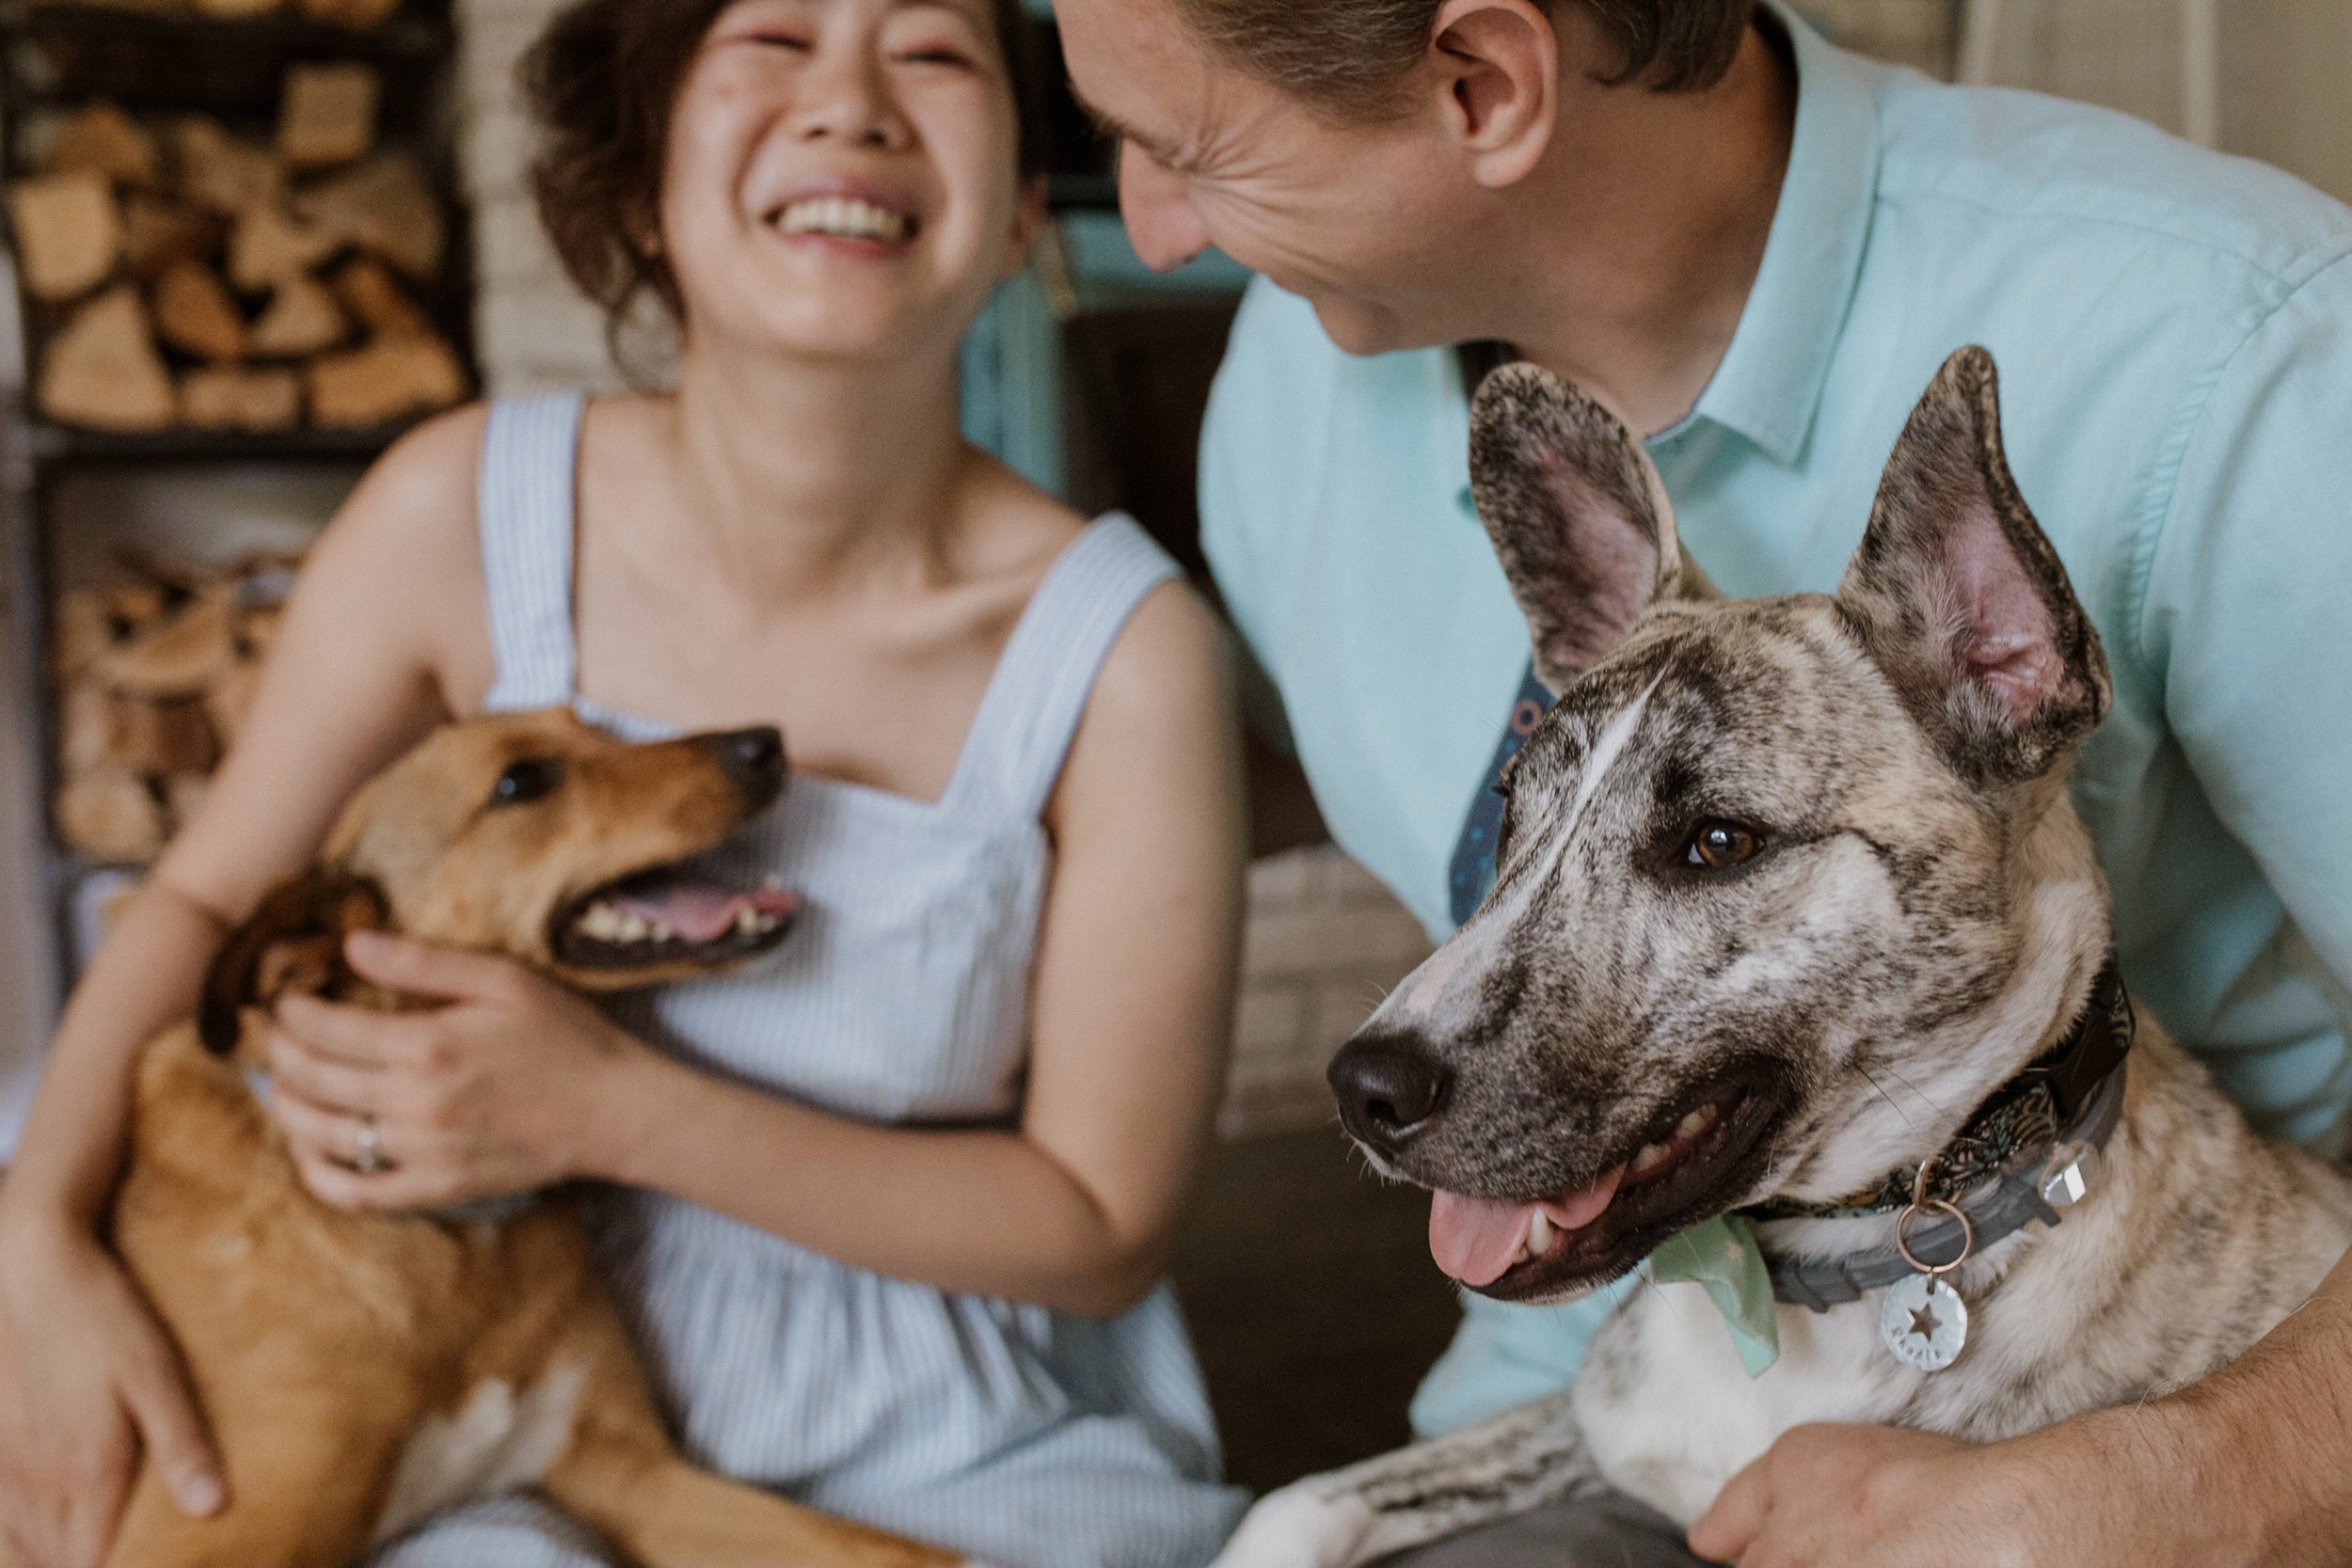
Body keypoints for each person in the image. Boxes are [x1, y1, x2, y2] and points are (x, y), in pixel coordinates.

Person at [1047, 0, 2352, 1561]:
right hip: (1604, 1403)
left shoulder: (2243, 351)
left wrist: (2159, 1488)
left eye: (1189, 149)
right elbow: (1263, 777)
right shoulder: (1294, 369)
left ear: (1485, 82)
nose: (1148, 228)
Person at [0, 2, 1253, 1563]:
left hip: (944, 1419)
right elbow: (202, 897)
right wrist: (35, 1232)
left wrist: (608, 1111)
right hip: (474, 1378)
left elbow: (1102, 1228)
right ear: (644, 167)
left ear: (1019, 208)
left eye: (933, 53)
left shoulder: (1129, 656)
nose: (849, 102)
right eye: (774, 37)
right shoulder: (454, 509)